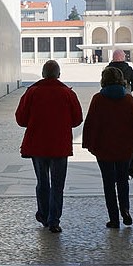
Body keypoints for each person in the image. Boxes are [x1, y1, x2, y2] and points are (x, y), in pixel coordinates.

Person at [15, 58, 82, 233]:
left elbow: (21, 119)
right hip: (59, 146)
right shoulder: (67, 93)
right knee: (58, 184)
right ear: (58, 75)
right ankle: (54, 220)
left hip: (37, 145)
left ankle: (43, 214)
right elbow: (77, 119)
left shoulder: (32, 92)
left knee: (42, 182)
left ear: (43, 74)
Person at [81, 64, 133, 229]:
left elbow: (91, 124)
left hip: (104, 149)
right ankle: (126, 210)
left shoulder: (98, 99)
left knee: (108, 183)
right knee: (123, 180)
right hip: (125, 148)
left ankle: (114, 218)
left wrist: (89, 145)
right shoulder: (128, 98)